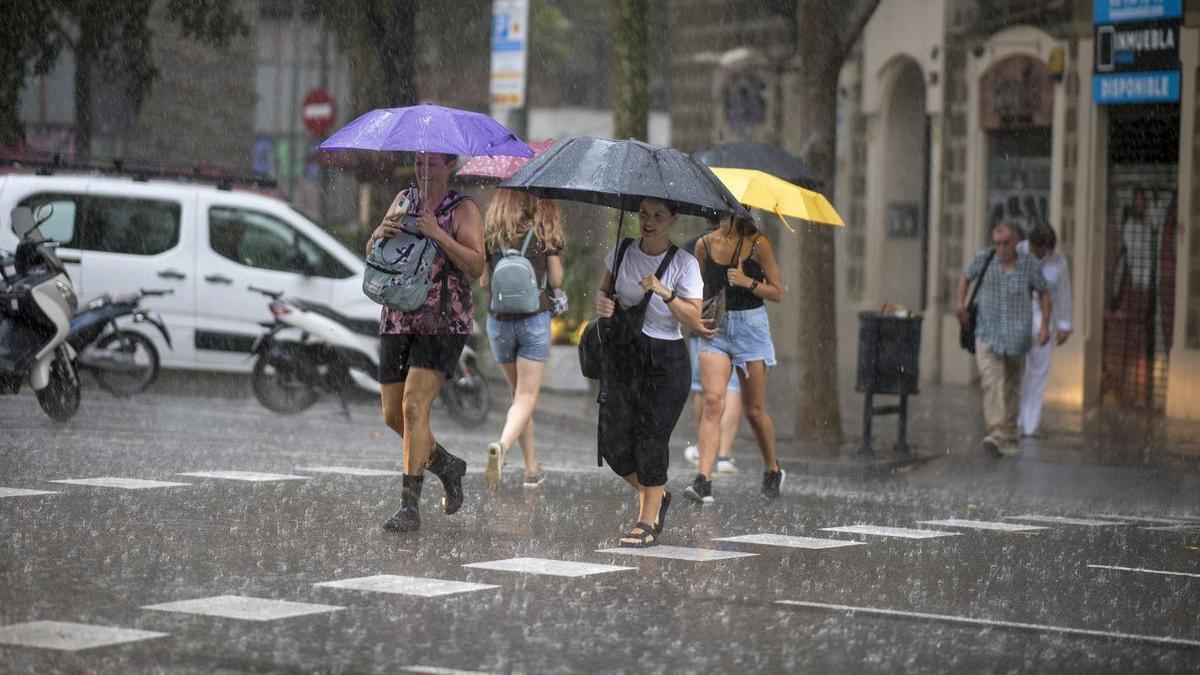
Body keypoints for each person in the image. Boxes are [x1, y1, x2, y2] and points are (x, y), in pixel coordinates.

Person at [368, 152, 485, 532]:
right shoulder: (404, 199)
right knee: (393, 415)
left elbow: (476, 265)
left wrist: (438, 233)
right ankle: (447, 465)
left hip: (443, 320)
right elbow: (376, 250)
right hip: (397, 315)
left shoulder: (463, 209)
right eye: (420, 160)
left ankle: (409, 507)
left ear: (450, 166)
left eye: (433, 162)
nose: (423, 168)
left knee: (414, 406)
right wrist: (378, 234)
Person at [594, 197, 709, 548]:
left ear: (673, 219)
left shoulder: (684, 263)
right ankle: (658, 494)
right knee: (613, 443)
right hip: (626, 357)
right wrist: (602, 303)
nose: (649, 221)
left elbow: (696, 320)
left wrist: (665, 293)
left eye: (659, 215)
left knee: (650, 438)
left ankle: (646, 522)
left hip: (666, 361)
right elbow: (603, 290)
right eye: (644, 213)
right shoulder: (623, 250)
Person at [684, 215, 785, 504]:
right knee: (713, 401)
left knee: (754, 411)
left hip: (751, 329)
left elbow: (777, 292)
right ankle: (703, 480)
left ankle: (772, 468)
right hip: (716, 327)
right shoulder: (704, 244)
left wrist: (748, 282)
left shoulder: (758, 245)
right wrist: (695, 311)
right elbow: (697, 287)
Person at [480, 189, 566, 489]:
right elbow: (555, 281)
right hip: (533, 320)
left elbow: (484, 281)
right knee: (526, 397)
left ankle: (531, 467)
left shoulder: (492, 232)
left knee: (519, 396)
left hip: (499, 322)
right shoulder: (542, 230)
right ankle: (502, 447)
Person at [955, 220, 1050, 458]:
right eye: (997, 243)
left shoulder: (1029, 265)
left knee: (1012, 387)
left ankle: (1008, 432)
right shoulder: (984, 259)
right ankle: (996, 433)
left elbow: (1044, 292)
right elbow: (965, 278)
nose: (1001, 248)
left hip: (1017, 338)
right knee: (991, 381)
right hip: (987, 334)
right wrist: (959, 305)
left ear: (1017, 242)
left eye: (1006, 242)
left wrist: (1046, 325)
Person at [682, 219, 742, 474]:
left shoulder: (696, 244)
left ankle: (704, 446)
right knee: (733, 386)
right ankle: (725, 454)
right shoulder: (746, 245)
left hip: (707, 320)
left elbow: (686, 284)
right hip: (741, 319)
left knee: (704, 388)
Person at [1018, 223, 1072, 437]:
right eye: (1040, 250)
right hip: (1019, 315)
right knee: (1019, 372)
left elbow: (1064, 292)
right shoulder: (1019, 251)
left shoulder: (1058, 260)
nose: (1044, 254)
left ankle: (1032, 423)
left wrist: (1064, 325)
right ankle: (1018, 421)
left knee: (1038, 372)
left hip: (1043, 319)